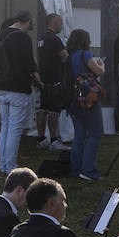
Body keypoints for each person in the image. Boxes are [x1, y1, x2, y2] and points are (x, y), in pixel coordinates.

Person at [0, 11, 40, 176]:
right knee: (15, 129)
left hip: (0, 86)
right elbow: (29, 64)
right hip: (18, 87)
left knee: (5, 126)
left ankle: (3, 165)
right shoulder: (23, 38)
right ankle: (10, 167)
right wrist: (36, 74)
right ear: (27, 21)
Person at [65, 29, 106, 181]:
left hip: (74, 100)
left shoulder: (69, 57)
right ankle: (88, 170)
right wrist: (102, 64)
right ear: (85, 41)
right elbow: (99, 71)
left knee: (79, 136)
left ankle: (76, 169)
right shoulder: (86, 55)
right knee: (95, 133)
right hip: (89, 99)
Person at [35, 13, 68, 150]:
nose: (61, 26)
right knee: (54, 111)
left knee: (43, 109)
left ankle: (41, 139)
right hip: (54, 80)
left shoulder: (41, 38)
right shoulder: (54, 39)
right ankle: (54, 140)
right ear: (54, 24)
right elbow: (65, 57)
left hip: (43, 80)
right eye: (60, 23)